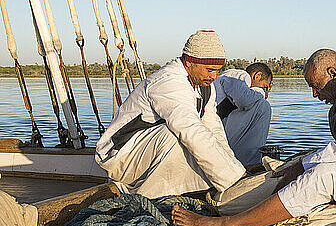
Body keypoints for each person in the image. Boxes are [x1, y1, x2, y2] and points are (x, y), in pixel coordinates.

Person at [172, 48, 336, 226]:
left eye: (315, 85)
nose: (314, 94)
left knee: (323, 177)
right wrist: (305, 159)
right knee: (311, 162)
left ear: (333, 73)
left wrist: (302, 166)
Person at [96, 30, 246, 199]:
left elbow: (214, 128)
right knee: (178, 134)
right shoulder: (167, 82)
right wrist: (232, 178)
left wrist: (235, 170)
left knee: (205, 135)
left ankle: (193, 192)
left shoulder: (205, 87)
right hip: (120, 155)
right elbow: (190, 130)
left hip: (145, 151)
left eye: (218, 71)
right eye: (209, 70)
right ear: (189, 62)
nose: (214, 76)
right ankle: (149, 197)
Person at [214, 63, 273, 166]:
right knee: (263, 106)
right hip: (214, 129)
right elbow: (244, 100)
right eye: (265, 87)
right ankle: (252, 163)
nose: (266, 94)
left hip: (218, 128)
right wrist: (261, 92)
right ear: (257, 76)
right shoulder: (239, 75)